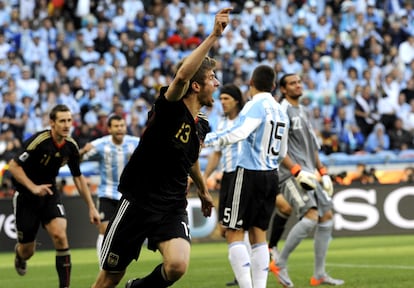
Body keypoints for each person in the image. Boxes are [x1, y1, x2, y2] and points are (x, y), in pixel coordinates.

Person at [91, 8, 231, 288]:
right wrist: (214, 36)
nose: (216, 83)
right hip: (139, 201)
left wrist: (202, 190)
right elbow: (180, 77)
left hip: (171, 205)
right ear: (195, 86)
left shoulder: (201, 124)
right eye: (212, 78)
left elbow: (189, 161)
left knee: (177, 265)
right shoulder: (169, 109)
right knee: (108, 280)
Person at [204, 64, 289, 288]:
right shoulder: (281, 110)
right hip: (271, 175)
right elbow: (282, 152)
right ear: (273, 86)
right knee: (258, 233)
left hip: (249, 173)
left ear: (251, 82)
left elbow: (240, 133)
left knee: (233, 232)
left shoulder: (254, 105)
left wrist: (208, 139)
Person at [9, 104, 100, 288]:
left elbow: (78, 178)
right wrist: (33, 187)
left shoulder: (71, 146)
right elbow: (13, 166)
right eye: (62, 121)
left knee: (60, 235)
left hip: (50, 194)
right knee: (28, 251)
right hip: (27, 196)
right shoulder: (38, 141)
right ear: (52, 123)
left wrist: (91, 207)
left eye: (69, 120)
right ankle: (20, 255)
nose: (67, 125)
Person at [268, 73, 344, 287]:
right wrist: (296, 170)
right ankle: (280, 263)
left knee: (326, 215)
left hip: (311, 173)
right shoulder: (281, 111)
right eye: (292, 83)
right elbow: (278, 149)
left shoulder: (302, 110)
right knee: (311, 214)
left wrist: (322, 171)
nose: (298, 85)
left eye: (299, 82)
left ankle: (319, 274)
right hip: (292, 175)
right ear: (283, 89)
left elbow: (312, 146)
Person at [79, 114, 140, 262]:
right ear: (109, 129)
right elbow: (78, 159)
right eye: (116, 126)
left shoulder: (136, 143)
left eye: (122, 126)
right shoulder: (100, 145)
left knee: (125, 234)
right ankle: (103, 268)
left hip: (128, 196)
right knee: (104, 230)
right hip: (107, 194)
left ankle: (118, 264)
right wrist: (82, 151)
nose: (120, 129)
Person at [202, 83, 246, 287]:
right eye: (221, 99)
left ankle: (245, 275)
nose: (223, 102)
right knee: (224, 229)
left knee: (235, 228)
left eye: (226, 99)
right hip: (227, 177)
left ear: (236, 100)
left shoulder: (246, 120)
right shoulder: (220, 123)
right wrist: (205, 176)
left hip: (243, 174)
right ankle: (246, 269)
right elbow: (217, 153)